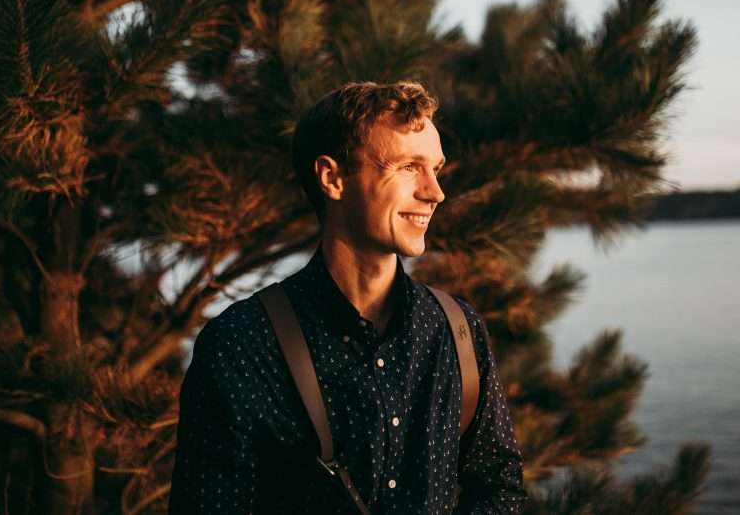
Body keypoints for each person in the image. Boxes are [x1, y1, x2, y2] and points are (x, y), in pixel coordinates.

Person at [169, 81, 525, 514]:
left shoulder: (459, 333)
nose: (435, 192)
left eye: (436, 168)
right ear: (332, 178)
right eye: (409, 167)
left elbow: (499, 489)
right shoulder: (241, 346)